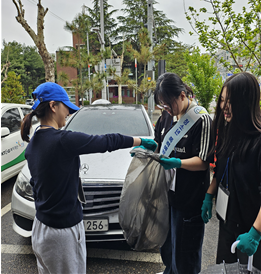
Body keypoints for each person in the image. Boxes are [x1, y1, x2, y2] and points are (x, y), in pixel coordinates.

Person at [20, 81, 157, 274]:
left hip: (42, 228)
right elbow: (107, 141)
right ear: (53, 106)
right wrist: (141, 140)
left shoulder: (34, 142)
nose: (68, 113)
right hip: (62, 233)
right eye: (66, 107)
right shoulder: (62, 140)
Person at [201, 72, 261, 270]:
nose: (224, 107)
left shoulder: (258, 142)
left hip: (252, 235)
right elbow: (221, 170)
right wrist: (210, 195)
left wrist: (255, 233)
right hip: (228, 227)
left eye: (230, 101)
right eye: (222, 100)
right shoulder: (229, 132)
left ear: (246, 101)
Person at [154, 73, 212, 274]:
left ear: (181, 95)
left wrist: (178, 162)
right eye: (162, 105)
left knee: (186, 256)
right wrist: (146, 149)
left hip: (190, 201)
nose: (167, 109)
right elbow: (158, 146)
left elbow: (203, 162)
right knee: (168, 250)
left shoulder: (201, 119)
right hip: (169, 198)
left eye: (169, 104)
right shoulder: (166, 117)